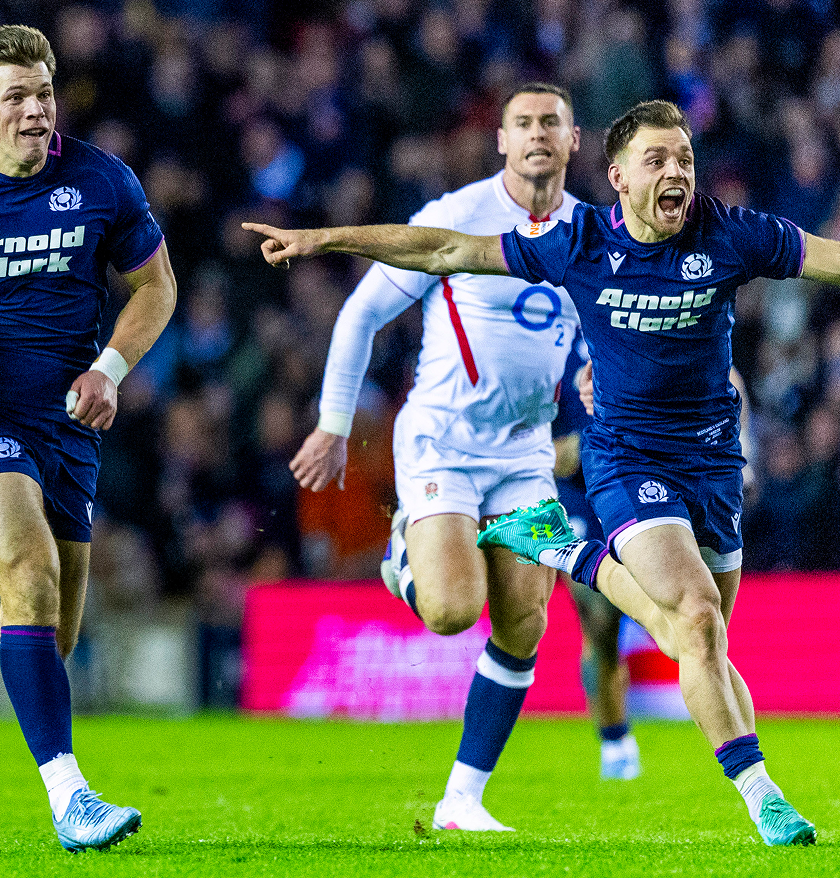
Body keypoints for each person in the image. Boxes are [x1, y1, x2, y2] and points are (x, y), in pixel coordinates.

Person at [243, 99, 828, 846]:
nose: (676, 171)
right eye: (657, 160)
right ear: (616, 176)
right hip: (620, 461)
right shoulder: (576, 241)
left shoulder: (731, 233)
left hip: (710, 463)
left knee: (699, 642)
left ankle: (562, 559)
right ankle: (761, 796)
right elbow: (443, 251)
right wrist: (326, 238)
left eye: (683, 158)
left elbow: (825, 256)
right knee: (691, 615)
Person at [0, 25, 177, 852]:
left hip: (71, 426)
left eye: (44, 91)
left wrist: (112, 369)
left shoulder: (101, 181)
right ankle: (71, 799)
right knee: (30, 581)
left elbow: (156, 286)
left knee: (51, 635)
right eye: (16, 95)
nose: (36, 109)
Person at [289, 82, 585, 831]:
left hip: (524, 454)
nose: (537, 135)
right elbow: (362, 313)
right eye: (522, 123)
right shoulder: (456, 218)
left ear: (574, 140)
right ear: (501, 141)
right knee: (454, 611)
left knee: (523, 622)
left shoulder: (592, 233)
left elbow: (587, 338)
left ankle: (462, 800)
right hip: (440, 440)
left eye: (551, 122)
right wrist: (331, 424)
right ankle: (402, 554)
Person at [552, 331, 640, 780]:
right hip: (578, 493)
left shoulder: (633, 304)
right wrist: (553, 453)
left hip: (638, 472)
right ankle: (614, 738)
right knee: (599, 621)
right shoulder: (547, 327)